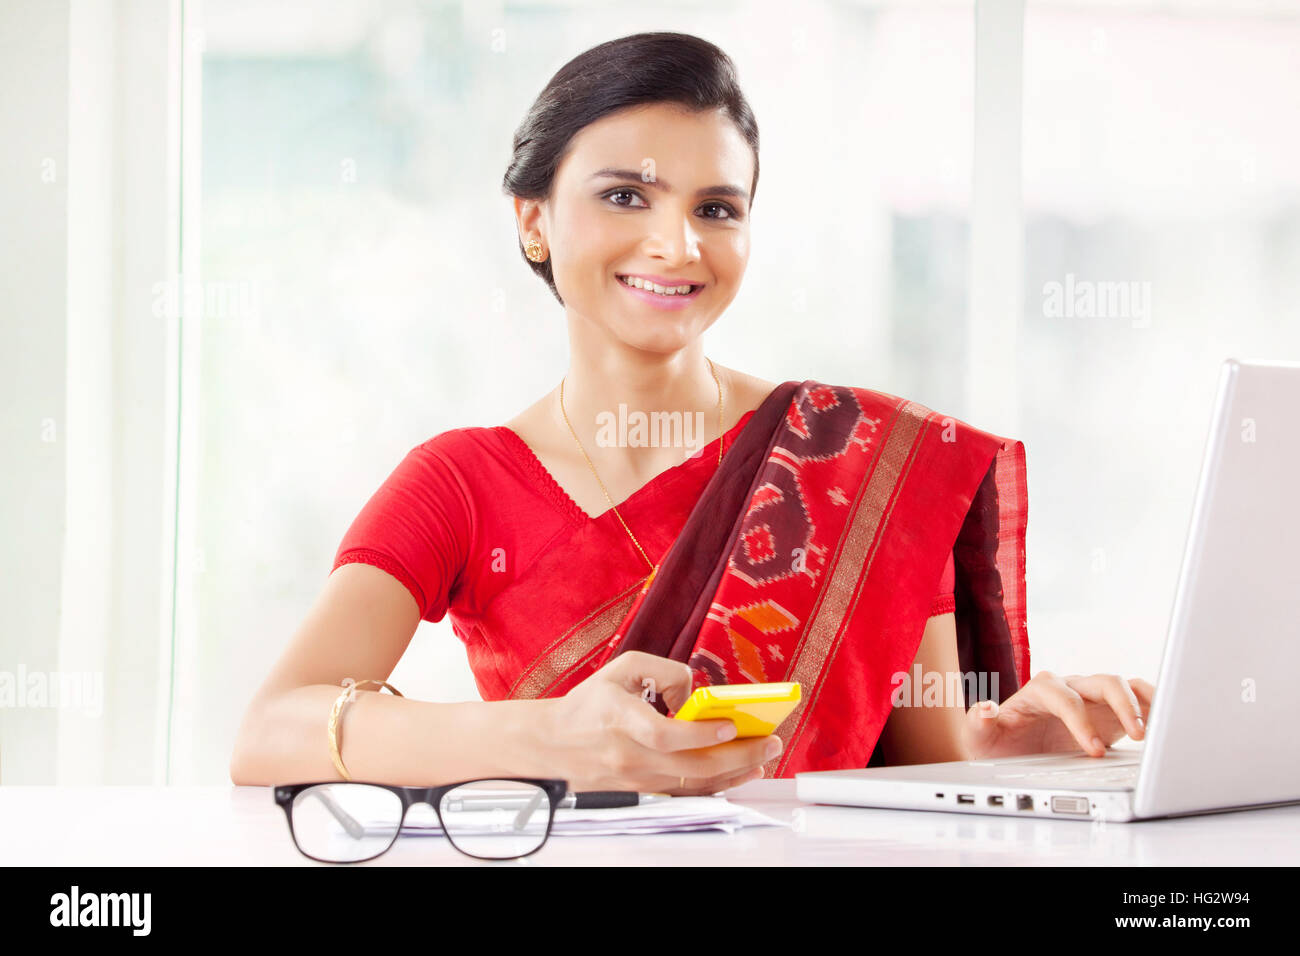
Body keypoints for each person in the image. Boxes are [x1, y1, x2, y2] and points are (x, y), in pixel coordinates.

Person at [230, 32, 1153, 795]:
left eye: (716, 207)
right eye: (625, 196)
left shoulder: (857, 458)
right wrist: (548, 738)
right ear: (533, 220)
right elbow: (272, 733)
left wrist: (1020, 742)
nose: (676, 244)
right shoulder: (460, 482)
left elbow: (923, 763)